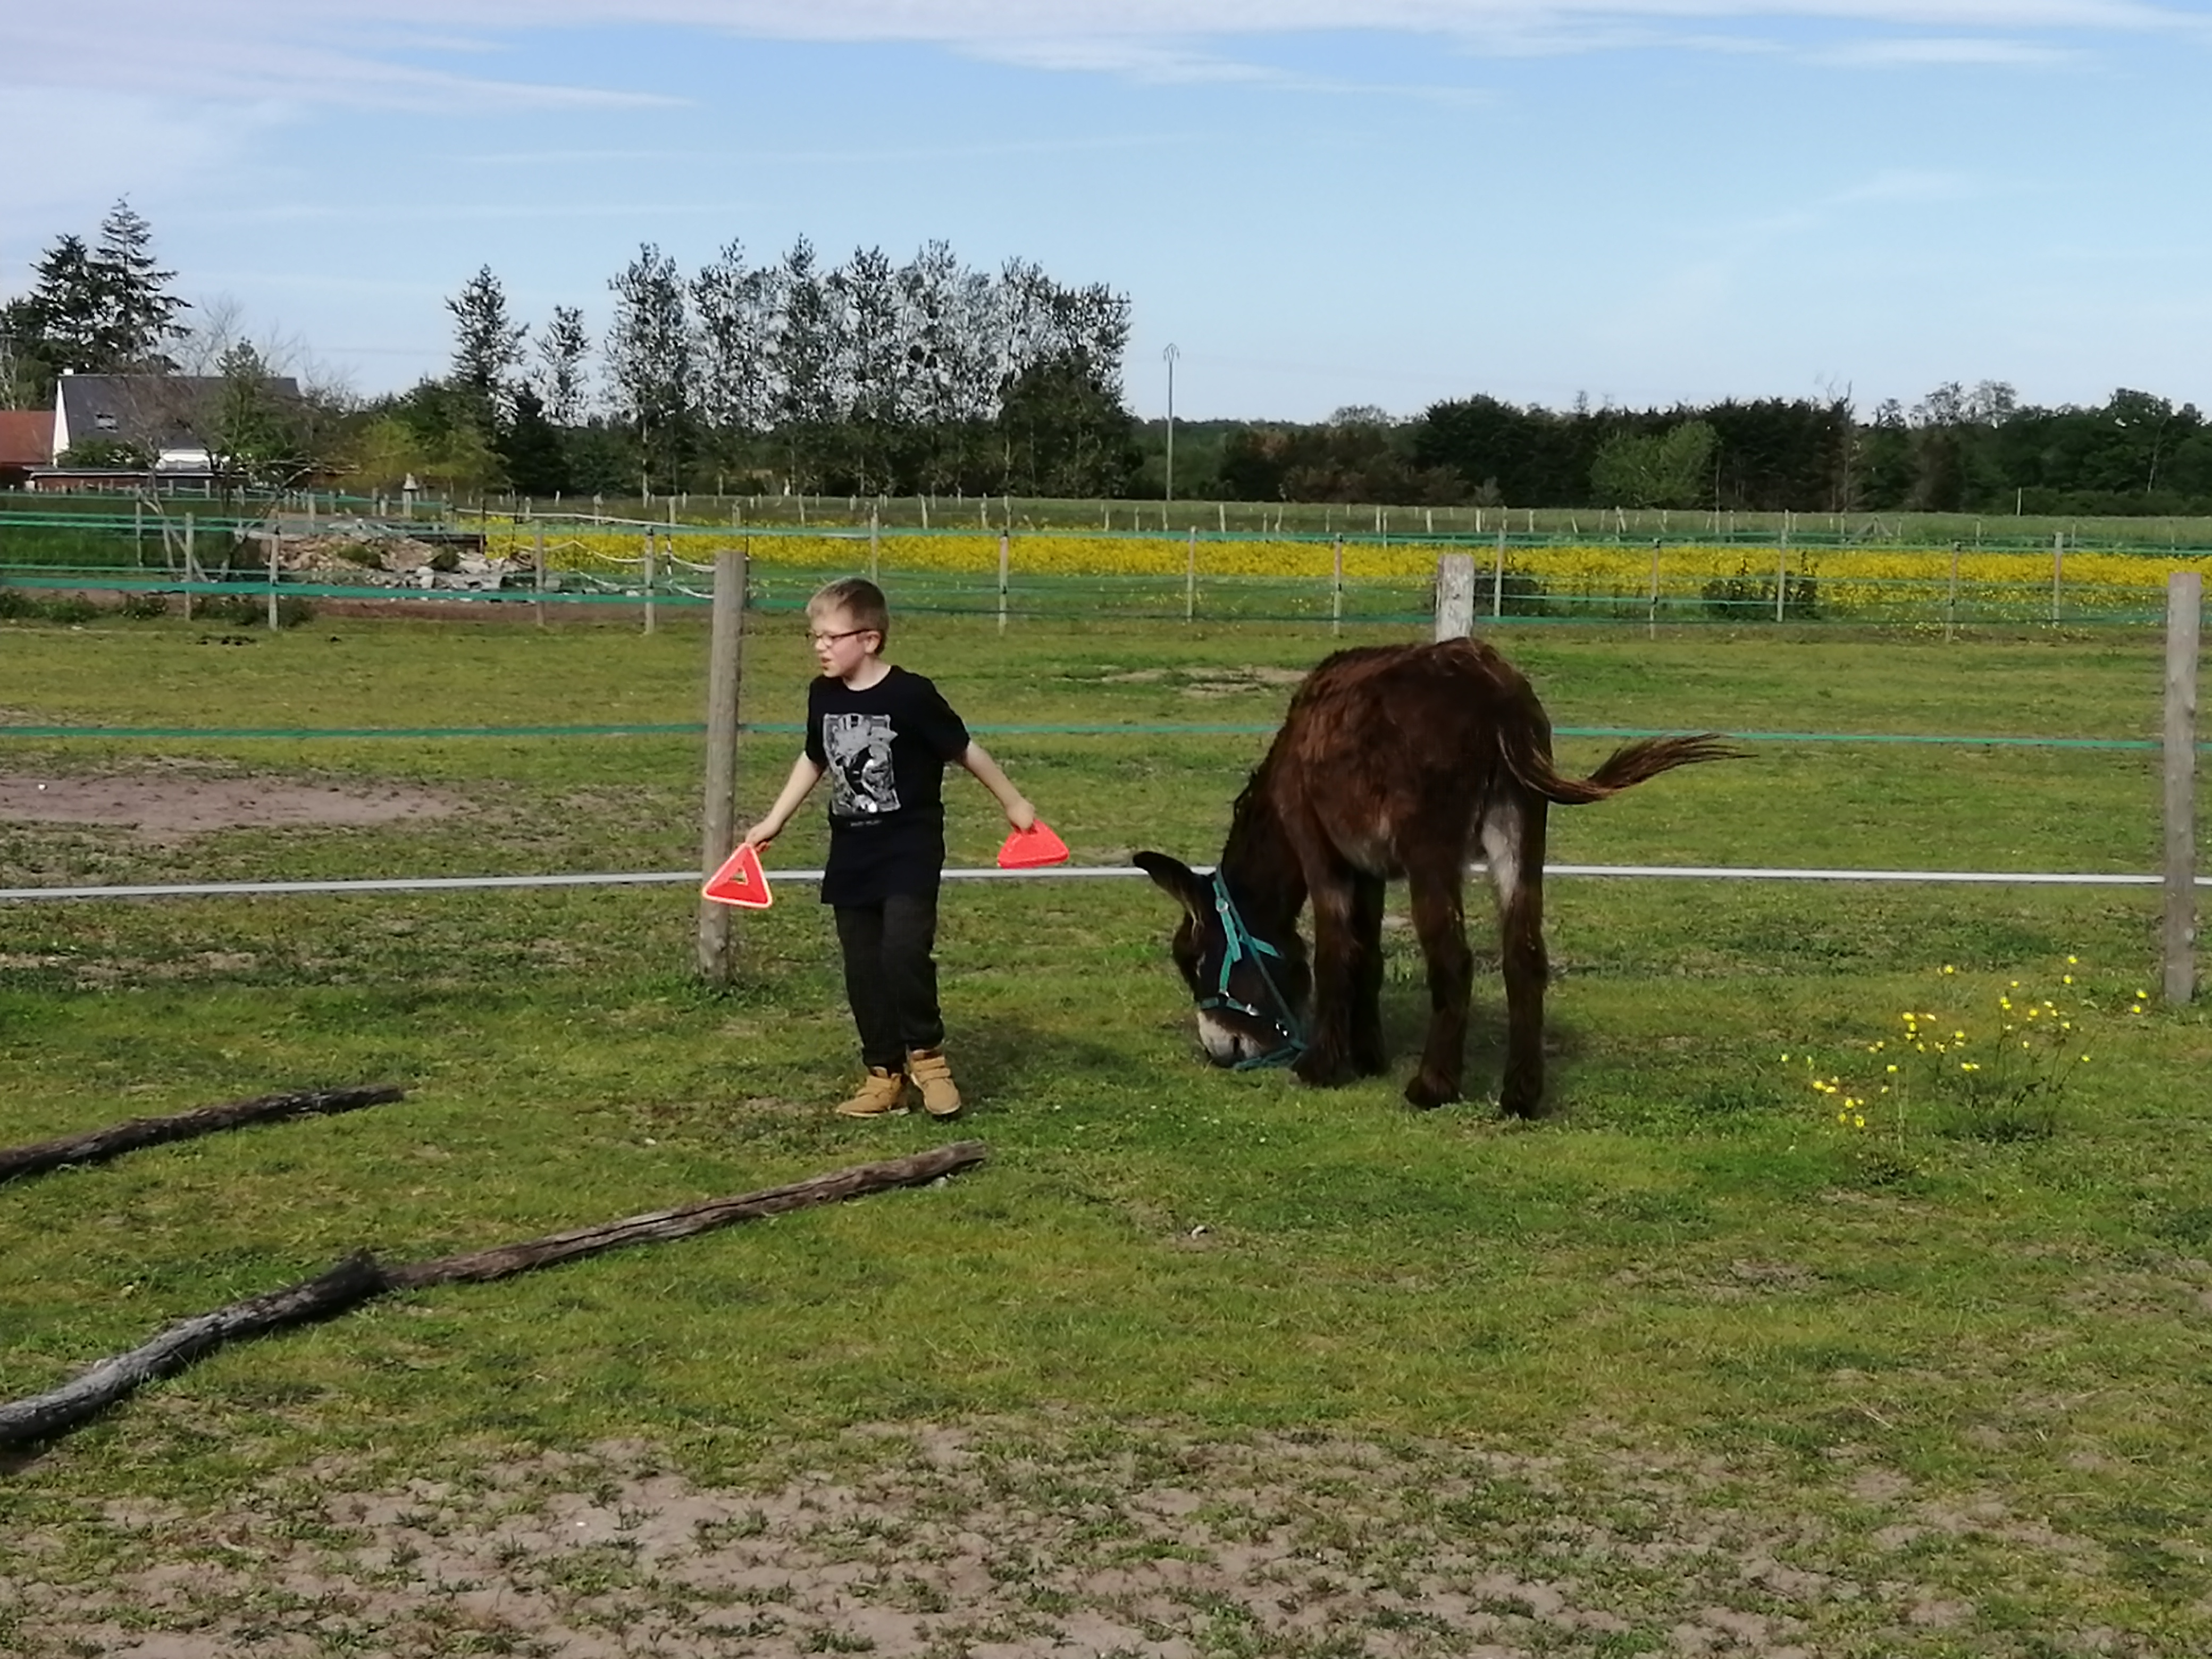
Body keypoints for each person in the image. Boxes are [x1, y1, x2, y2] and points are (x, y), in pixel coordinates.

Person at [743, 577, 1036, 1120]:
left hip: (909, 847)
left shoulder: (911, 695)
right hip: (851, 851)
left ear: (870, 639)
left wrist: (1014, 805)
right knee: (862, 967)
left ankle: (928, 1058)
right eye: (814, 637)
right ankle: (883, 1074)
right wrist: (773, 820)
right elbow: (815, 758)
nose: (819, 647)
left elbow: (964, 750)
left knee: (903, 951)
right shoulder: (821, 695)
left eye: (831, 637)